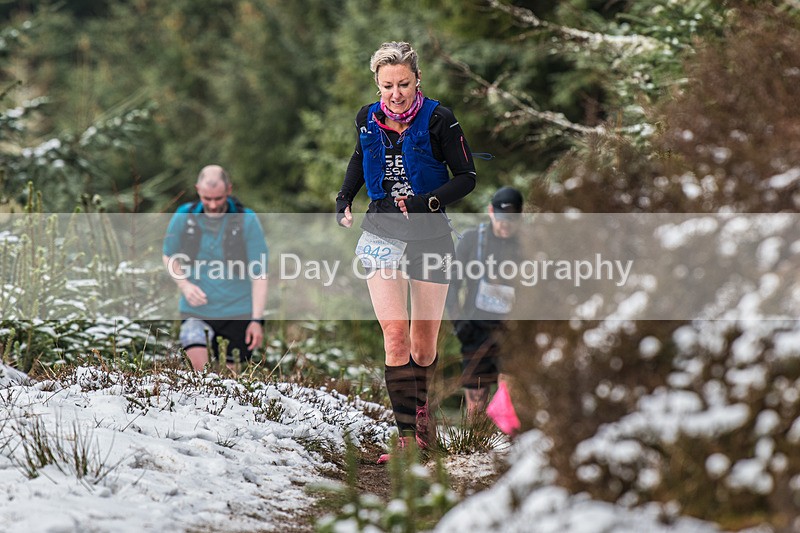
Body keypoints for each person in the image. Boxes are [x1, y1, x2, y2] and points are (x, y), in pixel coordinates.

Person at [335, 41, 477, 463]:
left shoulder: (440, 119)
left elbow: (466, 177)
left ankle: (421, 415)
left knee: (423, 344)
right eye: (387, 85)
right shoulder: (367, 117)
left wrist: (427, 201)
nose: (395, 93)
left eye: (403, 84)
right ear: (377, 84)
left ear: (417, 80)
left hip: (431, 236)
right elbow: (361, 158)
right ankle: (405, 439)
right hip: (380, 232)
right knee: (395, 338)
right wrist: (344, 197)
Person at [163, 165, 269, 371]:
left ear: (229, 190)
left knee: (231, 385)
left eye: (218, 199)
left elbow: (260, 273)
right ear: (197, 190)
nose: (212, 205)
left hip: (238, 311)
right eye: (206, 198)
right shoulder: (184, 215)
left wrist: (257, 320)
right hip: (196, 311)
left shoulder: (247, 220)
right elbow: (168, 255)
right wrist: (184, 285)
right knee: (200, 375)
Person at [446, 186, 523, 426]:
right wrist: (457, 321)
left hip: (512, 333)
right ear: (491, 212)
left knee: (511, 396)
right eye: (501, 218)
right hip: (475, 329)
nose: (505, 225)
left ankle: (511, 451)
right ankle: (473, 449)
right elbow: (452, 284)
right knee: (475, 405)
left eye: (511, 219)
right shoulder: (472, 240)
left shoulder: (528, 245)